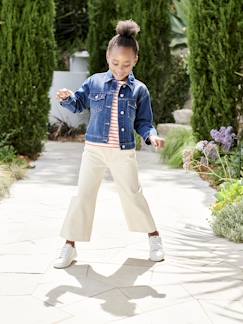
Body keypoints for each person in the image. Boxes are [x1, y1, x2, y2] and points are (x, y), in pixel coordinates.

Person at [53, 19, 165, 269]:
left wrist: (151, 137)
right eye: (115, 63)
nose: (120, 68)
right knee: (83, 195)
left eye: (126, 63)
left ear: (135, 59)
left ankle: (154, 238)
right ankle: (69, 246)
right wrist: (66, 98)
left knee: (133, 195)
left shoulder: (140, 90)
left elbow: (145, 123)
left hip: (123, 152)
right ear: (107, 58)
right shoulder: (94, 82)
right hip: (94, 150)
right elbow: (78, 103)